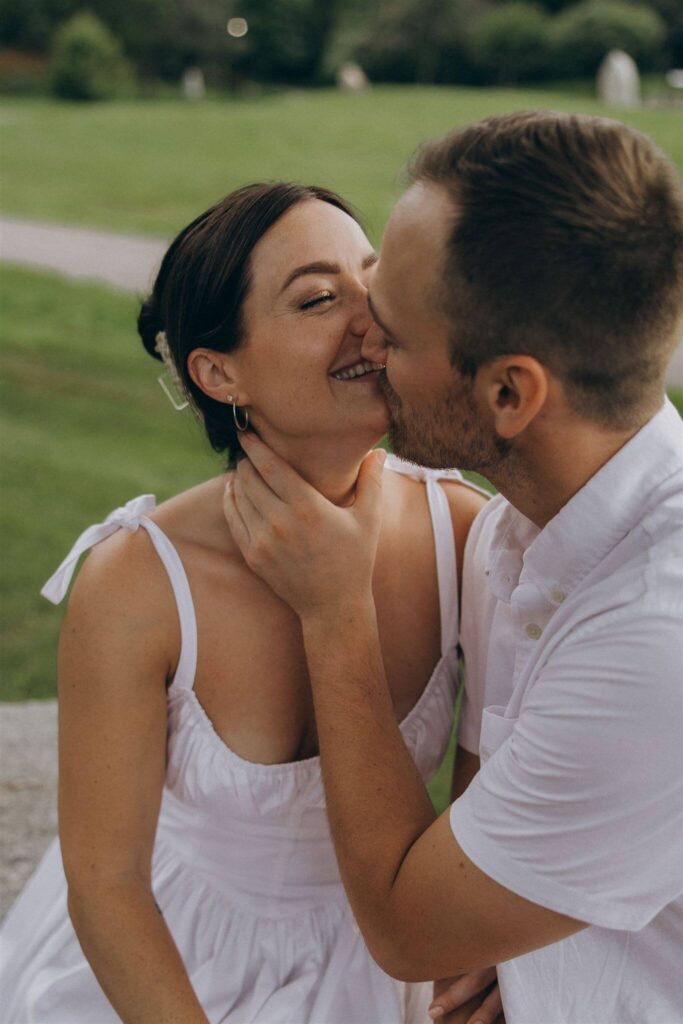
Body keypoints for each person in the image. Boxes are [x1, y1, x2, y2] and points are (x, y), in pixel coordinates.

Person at [225, 112, 683, 1024]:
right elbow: (477, 848)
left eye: (389, 333)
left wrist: (334, 612)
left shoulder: (652, 639)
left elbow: (409, 929)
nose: (361, 344)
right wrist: (502, 965)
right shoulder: (513, 530)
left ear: (507, 393)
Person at [0, 181, 493, 1023]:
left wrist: (486, 955)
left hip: (389, 963)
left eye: (368, 282)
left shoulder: (462, 532)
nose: (368, 321)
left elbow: (489, 824)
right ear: (219, 372)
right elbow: (106, 884)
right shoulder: (135, 581)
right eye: (316, 299)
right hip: (161, 969)